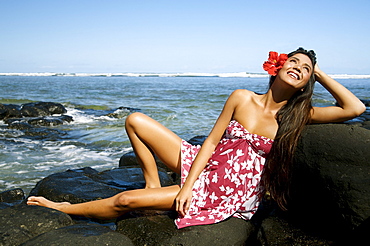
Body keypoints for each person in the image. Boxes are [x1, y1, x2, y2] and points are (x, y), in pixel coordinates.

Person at [27, 47, 366, 229]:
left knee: (124, 202)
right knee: (135, 120)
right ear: (276, 67)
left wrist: (318, 71)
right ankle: (152, 185)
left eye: (304, 70)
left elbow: (354, 107)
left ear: (307, 83)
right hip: (202, 166)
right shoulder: (241, 97)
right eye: (293, 62)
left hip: (228, 188)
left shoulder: (297, 115)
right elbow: (210, 141)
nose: (298, 68)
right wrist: (187, 185)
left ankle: (66, 207)